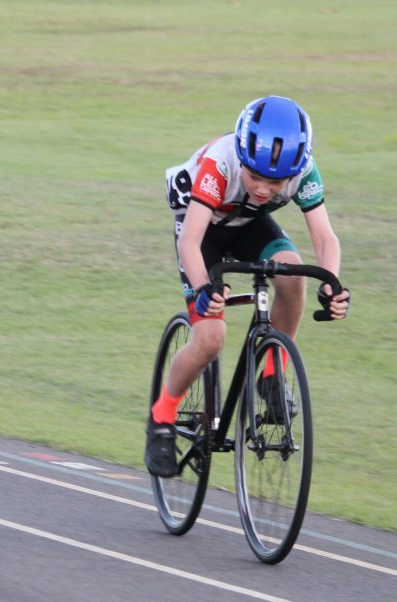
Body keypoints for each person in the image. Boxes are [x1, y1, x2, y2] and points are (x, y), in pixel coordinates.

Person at [145, 95, 350, 477]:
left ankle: (271, 374)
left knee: (292, 275)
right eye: (254, 176)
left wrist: (333, 285)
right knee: (210, 339)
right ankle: (162, 414)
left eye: (275, 182)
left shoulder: (304, 171)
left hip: (247, 226)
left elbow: (325, 238)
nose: (262, 188)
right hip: (203, 230)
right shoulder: (220, 163)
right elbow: (189, 240)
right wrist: (205, 286)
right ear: (241, 157)